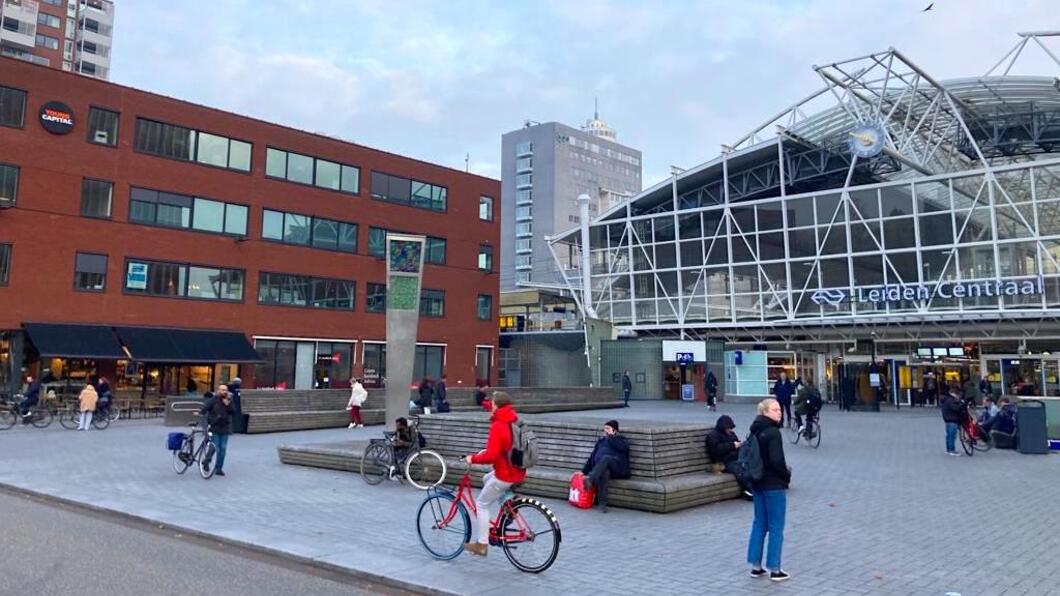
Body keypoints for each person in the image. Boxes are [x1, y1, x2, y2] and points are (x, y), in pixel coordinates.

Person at [463, 391, 526, 557]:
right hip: (517, 470)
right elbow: (503, 449)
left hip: (506, 474)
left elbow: (491, 456)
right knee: (486, 478)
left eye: (491, 403)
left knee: (482, 504)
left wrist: (473, 458)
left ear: (496, 405)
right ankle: (508, 502)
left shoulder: (498, 425)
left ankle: (481, 545)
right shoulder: (513, 419)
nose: (489, 405)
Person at [746, 398, 791, 582]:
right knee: (776, 526)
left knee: (759, 524)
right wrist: (786, 476)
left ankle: (756, 566)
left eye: (779, 409)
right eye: (774, 410)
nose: (779, 412)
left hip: (757, 483)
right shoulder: (773, 432)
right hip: (773, 484)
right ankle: (775, 568)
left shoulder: (754, 430)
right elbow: (777, 461)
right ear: (764, 412)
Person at [581, 420, 630, 513]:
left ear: (614, 430)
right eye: (604, 429)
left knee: (606, 458)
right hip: (602, 469)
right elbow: (592, 456)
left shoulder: (621, 440)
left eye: (608, 428)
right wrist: (583, 471)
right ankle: (602, 504)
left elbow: (623, 448)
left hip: (618, 469)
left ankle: (591, 479)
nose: (605, 431)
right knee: (605, 472)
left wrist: (612, 437)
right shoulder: (601, 441)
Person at [705, 415, 750, 497]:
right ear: (723, 427)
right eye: (728, 428)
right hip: (724, 461)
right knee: (740, 470)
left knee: (749, 464)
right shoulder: (713, 435)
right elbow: (715, 450)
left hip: (735, 458)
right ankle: (749, 489)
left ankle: (757, 488)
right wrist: (732, 445)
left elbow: (737, 442)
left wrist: (740, 445)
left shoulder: (731, 434)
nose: (730, 430)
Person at [201, 385, 235, 476]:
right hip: (214, 427)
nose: (224, 392)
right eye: (222, 390)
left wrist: (227, 405)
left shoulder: (229, 400)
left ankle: (219, 468)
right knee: (215, 447)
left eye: (226, 390)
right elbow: (204, 409)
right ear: (218, 391)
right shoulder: (213, 400)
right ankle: (206, 461)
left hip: (225, 428)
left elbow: (233, 412)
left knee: (223, 449)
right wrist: (204, 416)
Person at [940, 384, 965, 456]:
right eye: (957, 395)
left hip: (947, 420)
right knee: (952, 435)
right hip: (952, 419)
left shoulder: (946, 399)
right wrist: (961, 404)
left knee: (949, 435)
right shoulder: (950, 400)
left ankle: (948, 449)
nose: (958, 397)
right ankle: (952, 450)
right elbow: (956, 408)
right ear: (954, 394)